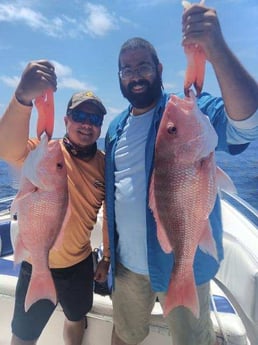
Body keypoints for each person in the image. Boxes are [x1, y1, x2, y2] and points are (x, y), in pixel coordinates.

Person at [104, 3, 258, 345]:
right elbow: (113, 197)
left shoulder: (189, 109)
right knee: (125, 335)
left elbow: (248, 124)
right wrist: (109, 257)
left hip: (180, 262)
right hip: (127, 269)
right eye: (126, 69)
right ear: (119, 77)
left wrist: (215, 49)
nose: (135, 74)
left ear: (158, 68)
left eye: (143, 65)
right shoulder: (115, 127)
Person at [0, 60, 110, 345]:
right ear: (66, 120)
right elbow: (7, 147)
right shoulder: (46, 152)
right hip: (36, 260)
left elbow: (111, 213)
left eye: (95, 119)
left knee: (76, 320)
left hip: (79, 265)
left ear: (100, 127)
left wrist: (107, 257)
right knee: (23, 335)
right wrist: (23, 97)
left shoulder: (104, 165)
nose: (87, 124)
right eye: (80, 116)